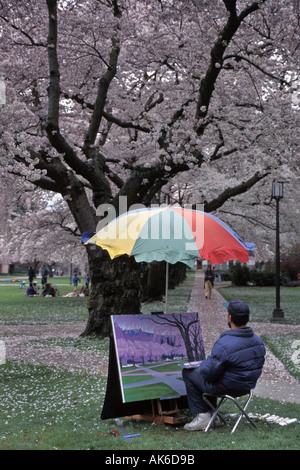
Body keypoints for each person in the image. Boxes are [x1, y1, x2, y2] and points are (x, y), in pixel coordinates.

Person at [182, 298, 266, 431]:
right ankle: (213, 416)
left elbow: (208, 373)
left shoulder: (225, 343)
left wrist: (201, 366)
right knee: (215, 374)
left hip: (227, 387)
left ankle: (203, 416)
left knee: (189, 373)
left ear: (229, 317)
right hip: (246, 387)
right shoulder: (258, 341)